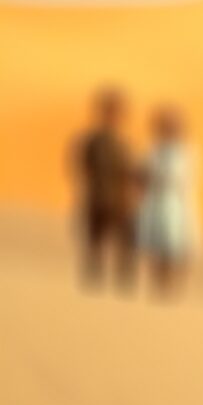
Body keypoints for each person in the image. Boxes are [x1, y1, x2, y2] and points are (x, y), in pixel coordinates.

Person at [68, 87, 141, 291]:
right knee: (95, 243)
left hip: (120, 200)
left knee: (125, 244)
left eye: (117, 112)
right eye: (111, 111)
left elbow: (132, 171)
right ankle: (93, 283)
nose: (115, 116)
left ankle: (122, 284)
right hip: (98, 197)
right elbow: (81, 167)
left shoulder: (124, 142)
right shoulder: (93, 141)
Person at [135, 105, 199, 296]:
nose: (169, 129)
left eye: (173, 126)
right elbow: (143, 172)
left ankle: (174, 286)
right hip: (155, 202)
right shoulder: (154, 149)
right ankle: (159, 284)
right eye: (166, 126)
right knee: (156, 245)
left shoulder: (187, 151)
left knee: (177, 245)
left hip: (177, 203)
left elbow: (184, 176)